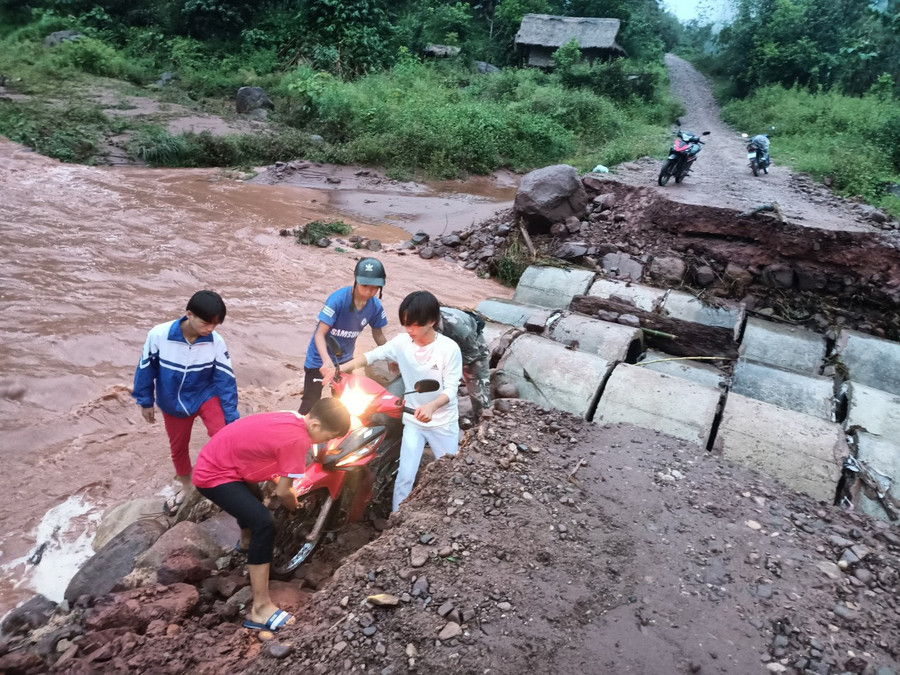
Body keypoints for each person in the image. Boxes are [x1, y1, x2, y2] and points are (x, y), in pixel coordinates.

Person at [192, 398, 350, 632]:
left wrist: (293, 470)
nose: (327, 442)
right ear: (315, 425)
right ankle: (260, 608)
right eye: (328, 436)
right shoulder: (298, 440)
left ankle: (246, 544)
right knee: (264, 524)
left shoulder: (293, 418)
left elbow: (267, 450)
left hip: (219, 458)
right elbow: (284, 491)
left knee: (253, 499)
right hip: (213, 475)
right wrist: (293, 504)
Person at [338, 290, 462, 512]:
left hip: (442, 422)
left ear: (432, 321)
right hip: (413, 419)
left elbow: (452, 389)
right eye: (405, 324)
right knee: (405, 476)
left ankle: (449, 517)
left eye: (414, 325)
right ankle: (396, 520)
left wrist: (432, 406)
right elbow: (372, 356)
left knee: (450, 475)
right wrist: (338, 370)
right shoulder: (402, 342)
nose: (409, 330)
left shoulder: (448, 349)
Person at [132, 290, 239, 515]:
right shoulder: (159, 335)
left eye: (216, 324)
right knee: (178, 447)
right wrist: (145, 401)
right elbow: (145, 368)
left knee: (223, 434)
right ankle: (187, 485)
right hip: (172, 400)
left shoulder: (215, 342)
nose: (210, 328)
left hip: (204, 394)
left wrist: (232, 418)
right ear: (188, 314)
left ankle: (222, 477)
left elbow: (225, 381)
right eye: (206, 322)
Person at [298, 257, 388, 414]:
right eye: (364, 286)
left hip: (344, 362)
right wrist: (326, 361)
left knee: (341, 405)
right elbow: (320, 334)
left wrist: (392, 356)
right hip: (319, 360)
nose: (369, 292)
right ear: (355, 281)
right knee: (310, 404)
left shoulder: (375, 307)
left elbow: (379, 335)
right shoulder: (337, 300)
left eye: (374, 288)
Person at [438, 307, 492, 420]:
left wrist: (448, 371)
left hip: (472, 353)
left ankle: (482, 422)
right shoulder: (418, 323)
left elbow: (471, 355)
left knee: (478, 391)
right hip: (444, 350)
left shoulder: (458, 328)